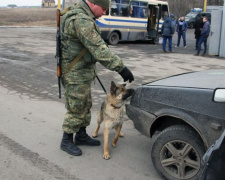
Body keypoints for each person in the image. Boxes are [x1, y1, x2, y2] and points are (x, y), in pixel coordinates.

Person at [60, 0, 134, 156]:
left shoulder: (83, 15)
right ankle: (66, 140)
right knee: (75, 108)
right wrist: (121, 68)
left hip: (81, 72)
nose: (104, 12)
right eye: (103, 8)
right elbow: (100, 50)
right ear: (92, 3)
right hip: (75, 74)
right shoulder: (81, 20)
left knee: (85, 105)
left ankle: (80, 136)